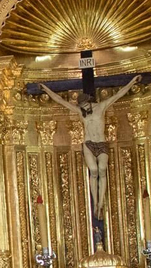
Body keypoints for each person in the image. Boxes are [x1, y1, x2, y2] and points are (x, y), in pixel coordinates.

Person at [40, 74, 138, 247]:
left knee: (102, 170)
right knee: (93, 171)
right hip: (89, 144)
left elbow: (119, 94)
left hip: (101, 143)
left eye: (84, 105)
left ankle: (100, 202)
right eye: (81, 106)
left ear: (89, 102)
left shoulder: (101, 107)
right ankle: (95, 203)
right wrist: (46, 89)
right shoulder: (81, 112)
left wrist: (132, 82)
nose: (82, 108)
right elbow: (61, 101)